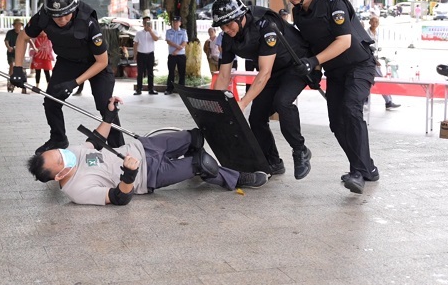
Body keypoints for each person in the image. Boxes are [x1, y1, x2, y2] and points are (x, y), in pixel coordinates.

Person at [26, 97, 268, 206]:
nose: (64, 154)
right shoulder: (78, 191)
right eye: (60, 159)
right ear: (59, 175)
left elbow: (96, 141)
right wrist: (129, 175)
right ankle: (237, 178)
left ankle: (201, 171)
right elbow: (119, 198)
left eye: (58, 151)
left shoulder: (72, 154)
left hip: (144, 147)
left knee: (194, 137)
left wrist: (109, 115)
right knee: (202, 163)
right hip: (147, 174)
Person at [280, 0, 378, 194]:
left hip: (359, 65)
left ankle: (357, 172)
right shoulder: (298, 14)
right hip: (335, 71)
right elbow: (312, 44)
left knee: (351, 110)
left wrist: (313, 61)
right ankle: (368, 168)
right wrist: (314, 70)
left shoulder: (333, 3)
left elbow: (344, 41)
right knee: (336, 122)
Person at [10, 0, 123, 154]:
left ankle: (118, 147)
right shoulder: (44, 16)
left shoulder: (88, 21)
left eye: (65, 15)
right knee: (51, 100)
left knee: (105, 105)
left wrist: (74, 83)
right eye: (56, 16)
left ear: (73, 7)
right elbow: (23, 37)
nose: (61, 20)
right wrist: (18, 69)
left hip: (95, 64)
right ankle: (58, 139)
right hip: (68, 61)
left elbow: (102, 61)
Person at [211, 0, 313, 179]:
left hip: (295, 66)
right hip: (272, 71)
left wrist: (242, 103)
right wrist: (217, 107)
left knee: (282, 102)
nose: (226, 30)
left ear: (241, 17)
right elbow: (224, 75)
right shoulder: (227, 37)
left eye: (229, 24)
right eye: (222, 26)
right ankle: (273, 162)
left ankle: (300, 150)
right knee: (257, 118)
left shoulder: (265, 25)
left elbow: (264, 73)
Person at [367, 16, 401, 110]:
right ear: (369, 22)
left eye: (377, 22)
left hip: (375, 59)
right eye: (373, 21)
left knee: (370, 81)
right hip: (371, 61)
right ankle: (388, 101)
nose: (375, 23)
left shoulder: (377, 33)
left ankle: (366, 100)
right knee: (380, 81)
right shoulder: (366, 33)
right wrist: (375, 60)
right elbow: (367, 49)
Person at [133, 16, 159, 95]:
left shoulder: (154, 31)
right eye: (145, 22)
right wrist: (135, 55)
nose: (146, 24)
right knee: (140, 72)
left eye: (148, 22)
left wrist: (150, 31)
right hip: (141, 54)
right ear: (143, 23)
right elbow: (135, 44)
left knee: (150, 72)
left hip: (150, 54)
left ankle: (151, 89)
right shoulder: (139, 33)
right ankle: (139, 89)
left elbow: (156, 39)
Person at [164, 15, 188, 95]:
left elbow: (184, 42)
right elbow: (168, 41)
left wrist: (177, 51)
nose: (175, 23)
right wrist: (177, 46)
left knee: (182, 73)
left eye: (177, 22)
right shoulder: (169, 31)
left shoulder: (183, 31)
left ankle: (181, 90)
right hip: (172, 55)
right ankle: (169, 89)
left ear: (180, 23)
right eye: (174, 22)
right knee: (171, 72)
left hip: (181, 55)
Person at [5, 19, 26, 93]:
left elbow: (28, 40)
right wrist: (9, 47)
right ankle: (10, 82)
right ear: (14, 25)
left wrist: (34, 47)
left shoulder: (22, 33)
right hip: (12, 53)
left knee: (23, 69)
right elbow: (6, 41)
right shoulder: (10, 32)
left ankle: (24, 86)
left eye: (19, 24)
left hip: (20, 53)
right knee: (12, 65)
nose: (18, 26)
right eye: (16, 24)